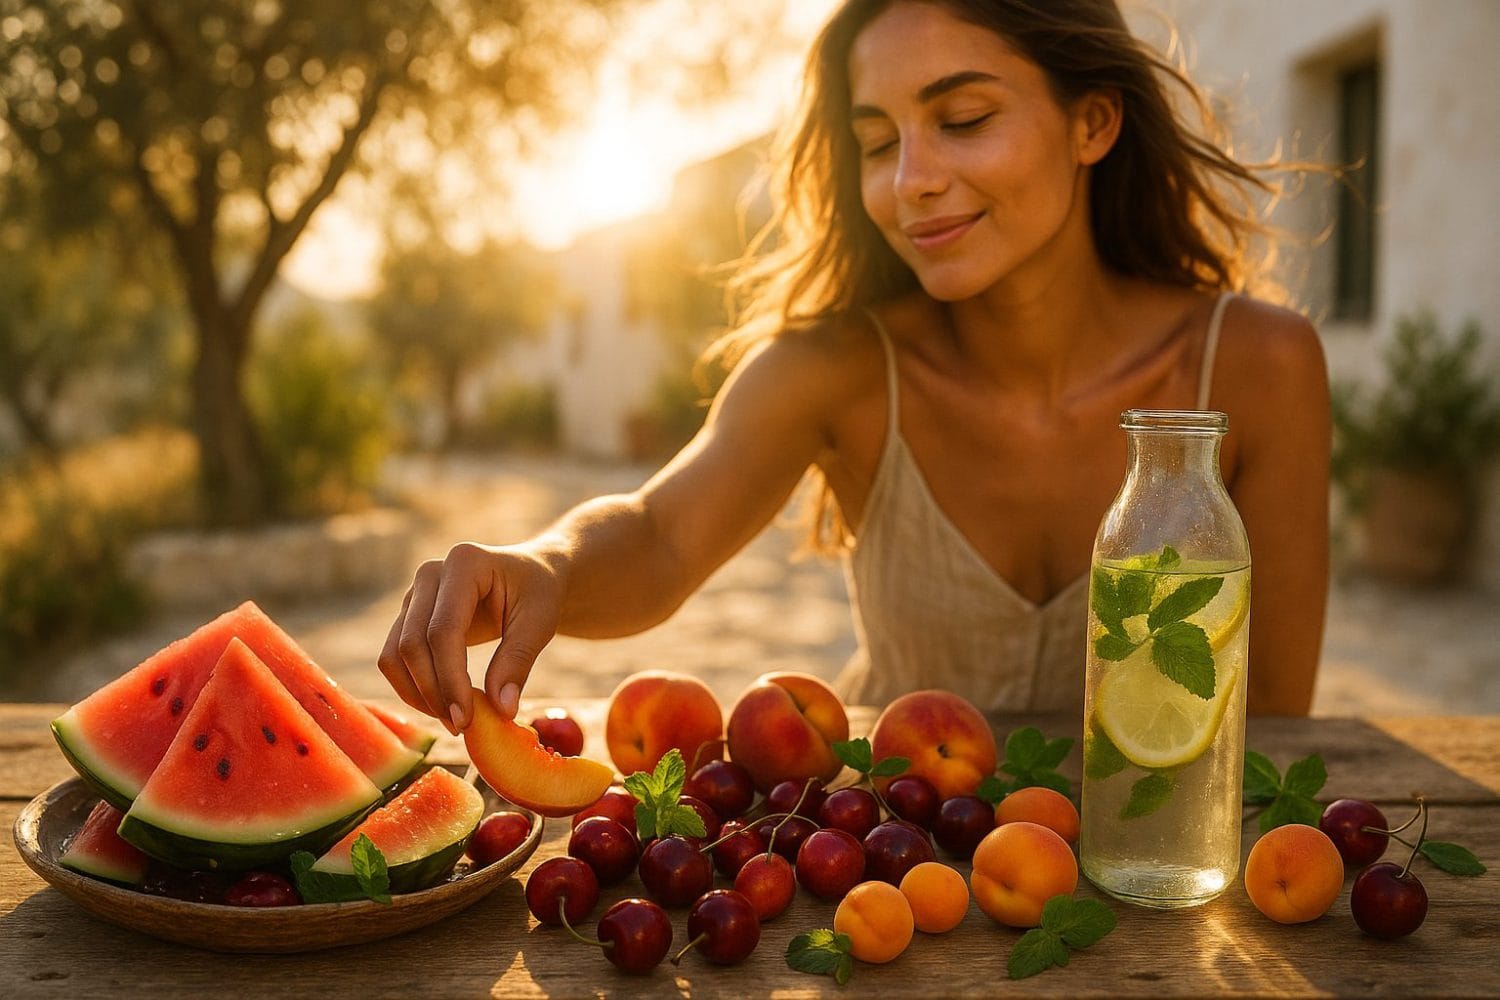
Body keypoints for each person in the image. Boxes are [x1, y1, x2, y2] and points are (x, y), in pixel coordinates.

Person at [378, 0, 1330, 734]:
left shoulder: (1256, 367)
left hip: (1156, 878)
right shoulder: (833, 370)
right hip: (890, 879)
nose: (909, 178)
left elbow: (1280, 727)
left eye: (962, 118)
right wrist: (539, 566)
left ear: (1093, 123)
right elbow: (659, 533)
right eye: (877, 141)